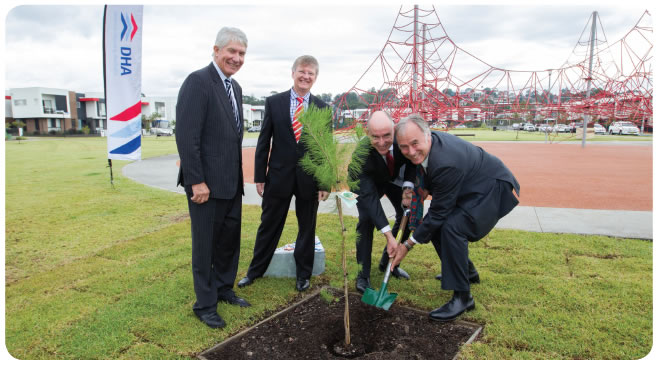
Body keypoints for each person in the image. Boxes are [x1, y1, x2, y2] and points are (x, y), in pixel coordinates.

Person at [390, 114, 520, 322]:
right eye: (404, 147)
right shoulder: (418, 145)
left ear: (427, 135)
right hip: (471, 185)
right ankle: (467, 272)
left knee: (451, 227)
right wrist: (416, 188)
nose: (411, 152)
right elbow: (416, 167)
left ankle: (463, 297)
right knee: (436, 228)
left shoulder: (446, 162)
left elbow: (439, 212)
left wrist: (407, 244)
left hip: (491, 188)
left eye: (415, 144)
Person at [175, 27, 250, 329]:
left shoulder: (236, 88)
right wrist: (196, 181)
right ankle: (204, 305)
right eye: (231, 51)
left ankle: (223, 289)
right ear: (216, 50)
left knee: (228, 241)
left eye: (241, 53)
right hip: (205, 185)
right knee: (205, 246)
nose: (236, 58)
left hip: (231, 183)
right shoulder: (198, 82)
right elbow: (187, 135)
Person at [237, 55, 329, 292]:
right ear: (293, 72)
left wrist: (325, 182)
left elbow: (325, 148)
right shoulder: (274, 102)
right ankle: (255, 271)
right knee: (268, 224)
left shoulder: (322, 108)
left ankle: (303, 274)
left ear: (315, 78)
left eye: (310, 73)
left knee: (307, 227)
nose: (305, 76)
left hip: (308, 178)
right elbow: (263, 142)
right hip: (278, 176)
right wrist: (259, 176)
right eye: (302, 71)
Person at [348, 111, 415, 294]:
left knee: (408, 215)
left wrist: (408, 189)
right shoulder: (362, 154)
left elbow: (411, 163)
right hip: (366, 183)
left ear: (394, 130)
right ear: (368, 134)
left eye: (387, 135)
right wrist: (388, 235)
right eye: (375, 137)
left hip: (391, 179)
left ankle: (388, 264)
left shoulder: (403, 139)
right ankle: (363, 275)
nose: (382, 141)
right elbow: (369, 198)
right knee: (367, 221)